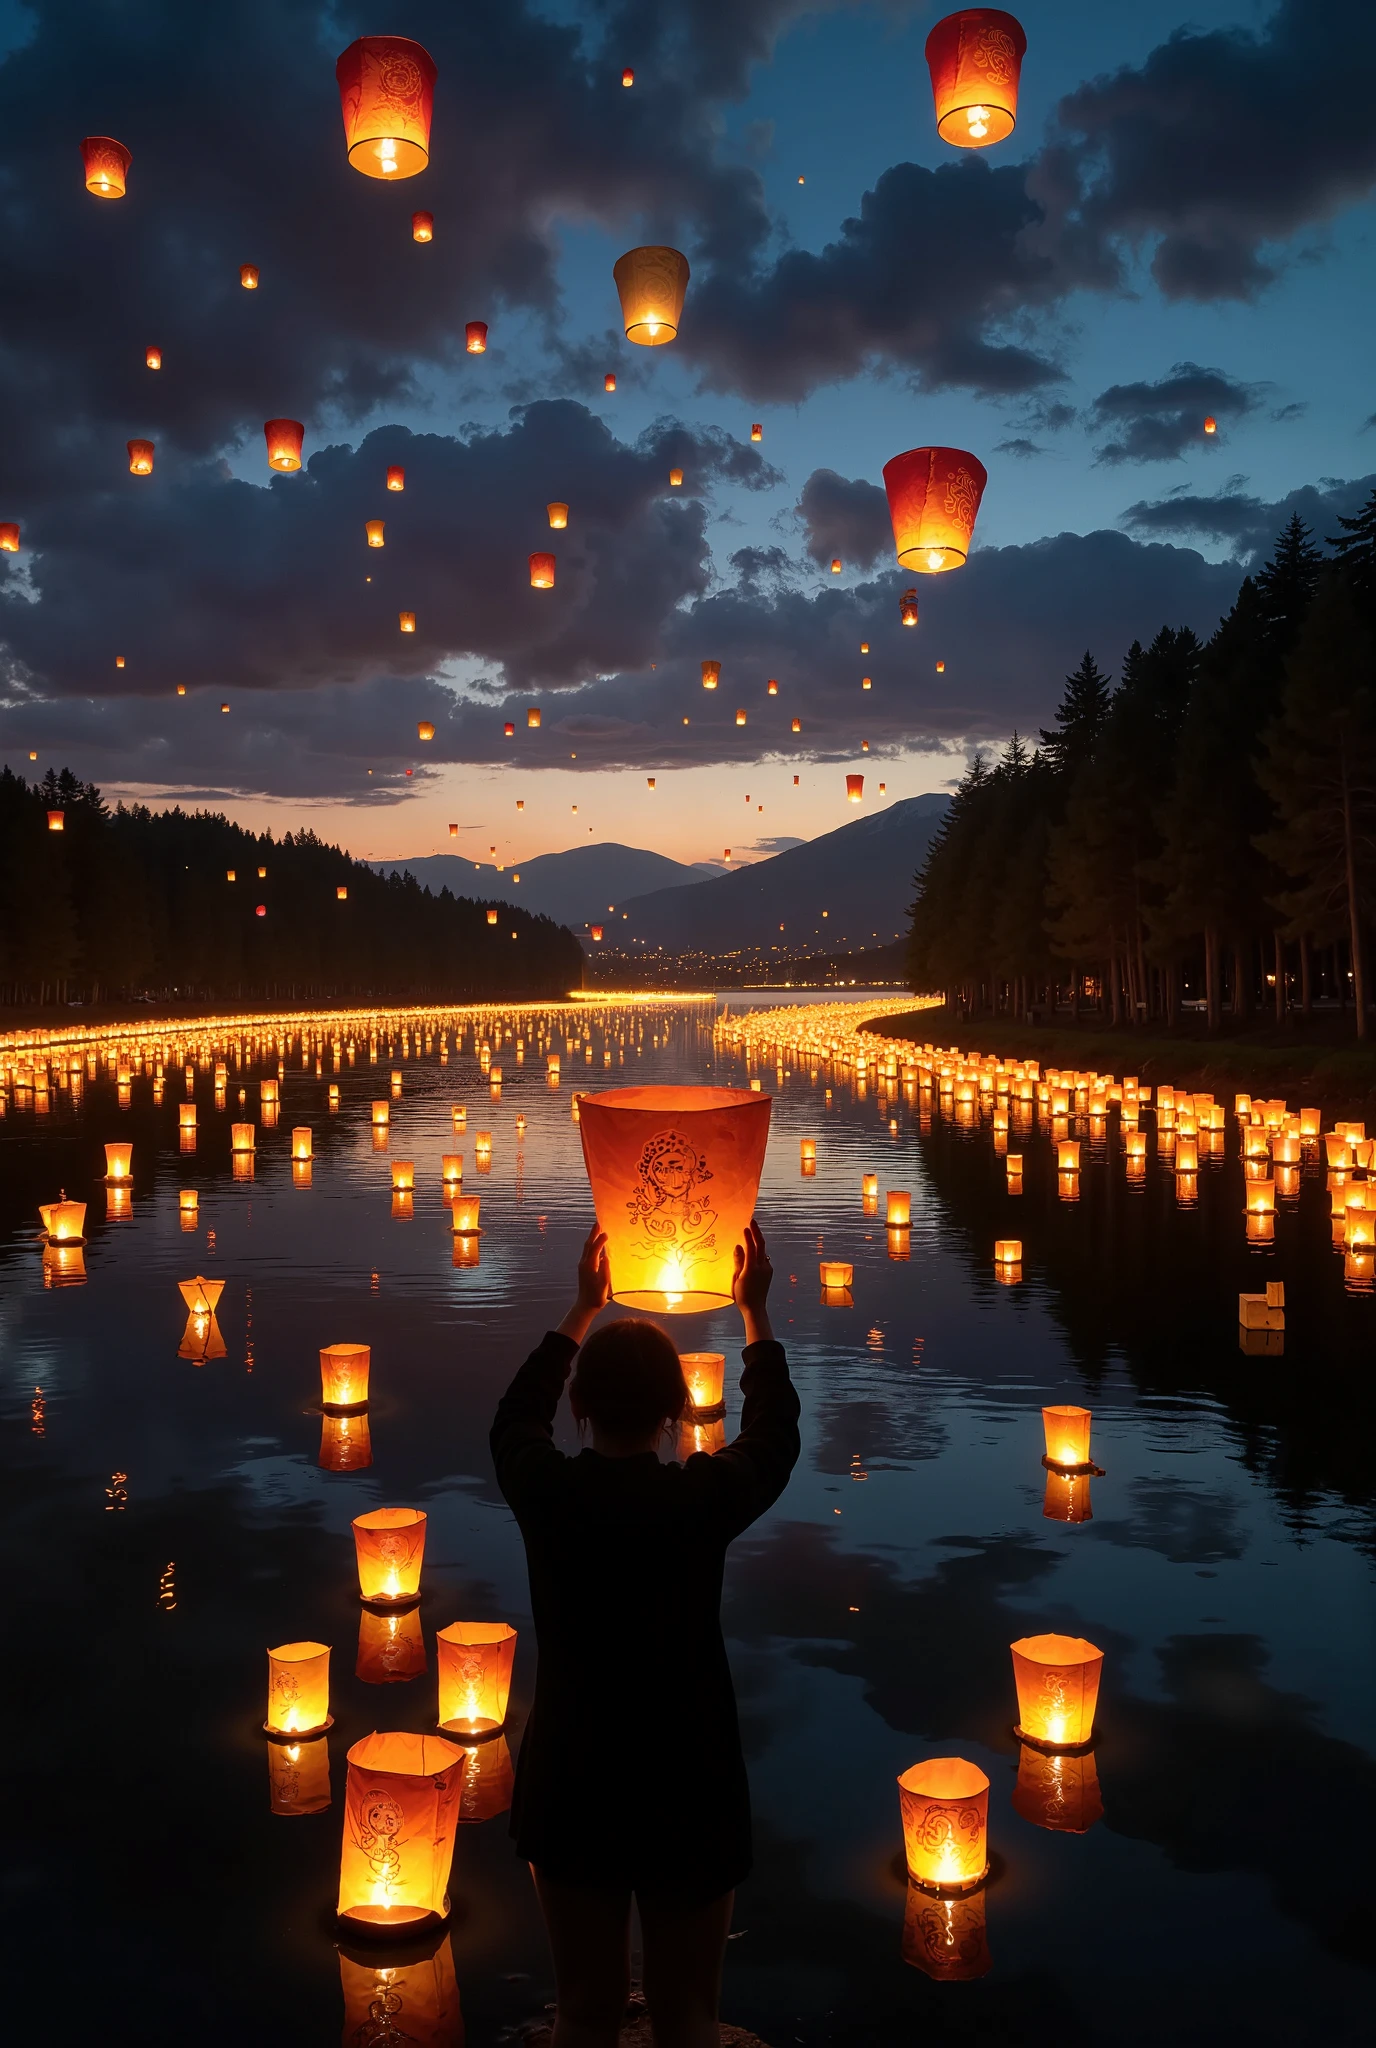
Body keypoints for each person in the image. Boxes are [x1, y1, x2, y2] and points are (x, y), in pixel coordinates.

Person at [491, 1219, 800, 2048]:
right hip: (688, 1774)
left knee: (586, 2011)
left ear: (580, 1405)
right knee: (688, 2015)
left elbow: (514, 1421)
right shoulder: (699, 1502)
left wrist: (580, 1309)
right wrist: (754, 1316)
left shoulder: (547, 1494)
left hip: (571, 1774)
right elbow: (773, 1438)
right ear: (679, 1407)